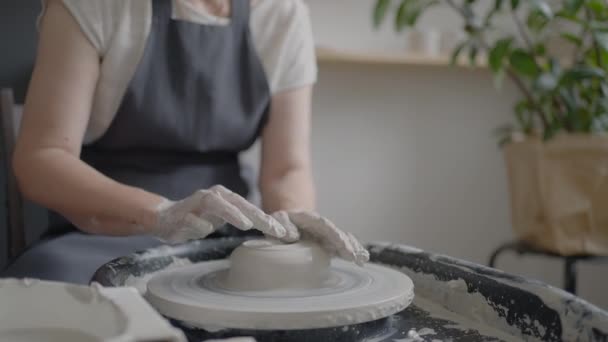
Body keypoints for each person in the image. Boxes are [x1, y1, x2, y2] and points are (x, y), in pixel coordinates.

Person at [2, 0, 368, 284]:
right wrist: (160, 213)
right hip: (100, 231)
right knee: (45, 291)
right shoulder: (98, 5)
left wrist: (293, 223)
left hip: (227, 235)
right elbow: (41, 157)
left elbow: (286, 169)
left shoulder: (282, 15)